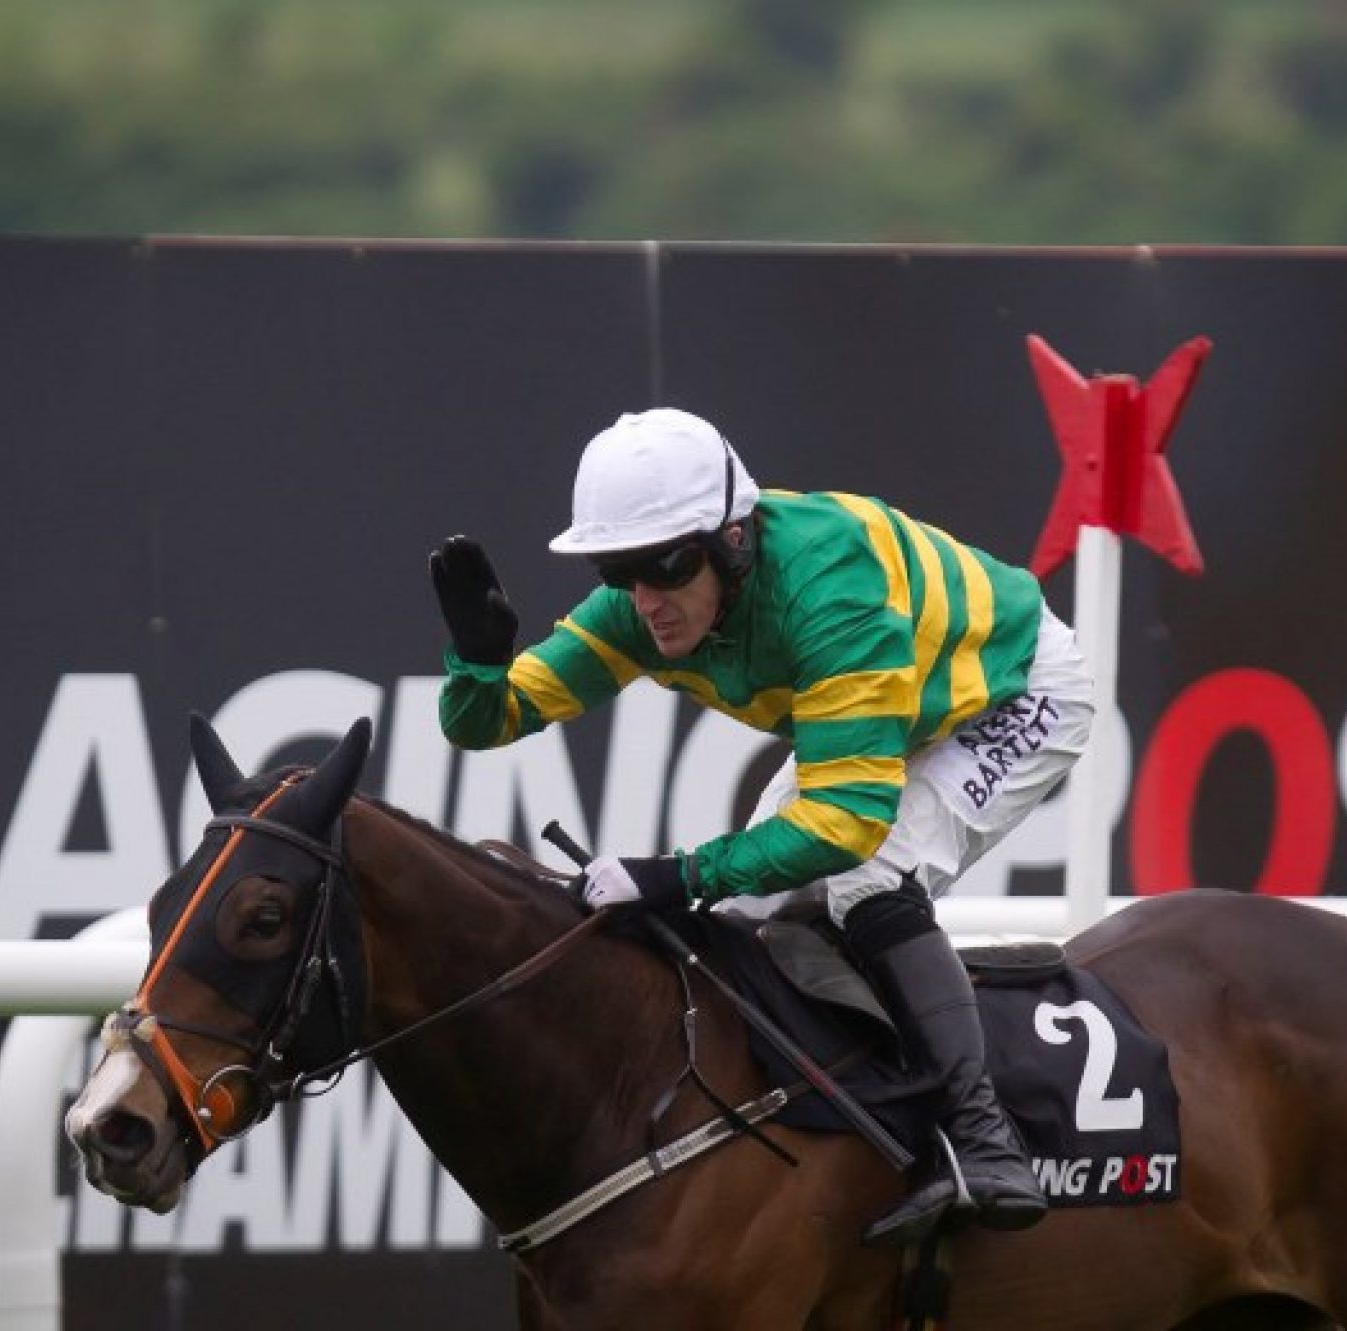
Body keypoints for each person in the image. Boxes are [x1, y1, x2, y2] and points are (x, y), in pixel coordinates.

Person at [431, 407, 1096, 1246]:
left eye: (665, 565)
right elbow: (489, 721)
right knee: (748, 926)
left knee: (865, 877)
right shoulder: (644, 610)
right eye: (617, 570)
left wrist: (676, 873)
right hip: (897, 704)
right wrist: (477, 663)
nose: (646, 600)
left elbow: (844, 824)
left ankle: (982, 1141)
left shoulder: (829, 588)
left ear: (733, 541)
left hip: (1016, 687)